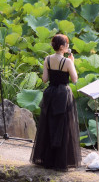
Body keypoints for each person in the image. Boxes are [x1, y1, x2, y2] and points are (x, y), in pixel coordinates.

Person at [30, 34, 81, 171]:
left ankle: (48, 159)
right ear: (62, 47)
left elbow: (45, 79)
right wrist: (73, 63)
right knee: (63, 126)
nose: (68, 46)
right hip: (63, 95)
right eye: (67, 44)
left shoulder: (47, 59)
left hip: (50, 94)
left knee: (49, 125)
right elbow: (74, 79)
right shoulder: (68, 62)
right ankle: (61, 161)